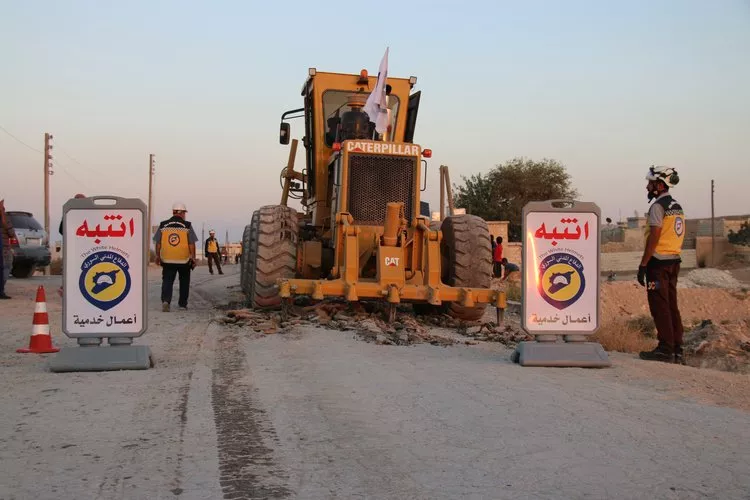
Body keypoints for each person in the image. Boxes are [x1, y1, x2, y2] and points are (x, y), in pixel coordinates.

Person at [637, 166, 686, 364]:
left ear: (659, 185)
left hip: (658, 264)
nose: (647, 186)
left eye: (650, 183)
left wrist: (643, 264)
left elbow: (655, 236)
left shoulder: (657, 207)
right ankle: (677, 348)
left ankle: (665, 349)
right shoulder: (676, 206)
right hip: (674, 261)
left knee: (660, 306)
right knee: (672, 305)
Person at [154, 202, 198, 312]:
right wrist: (193, 257)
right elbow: (191, 244)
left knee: (167, 280)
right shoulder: (187, 225)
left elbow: (158, 243)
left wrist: (158, 256)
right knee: (184, 281)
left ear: (173, 212)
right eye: (184, 212)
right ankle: (182, 305)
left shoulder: (163, 225)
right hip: (183, 259)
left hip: (167, 259)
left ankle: (166, 301)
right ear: (182, 213)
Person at [0, 199, 18, 299]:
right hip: (4, 248)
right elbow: (11, 233)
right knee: (6, 268)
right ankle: (1, 290)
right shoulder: (4, 219)